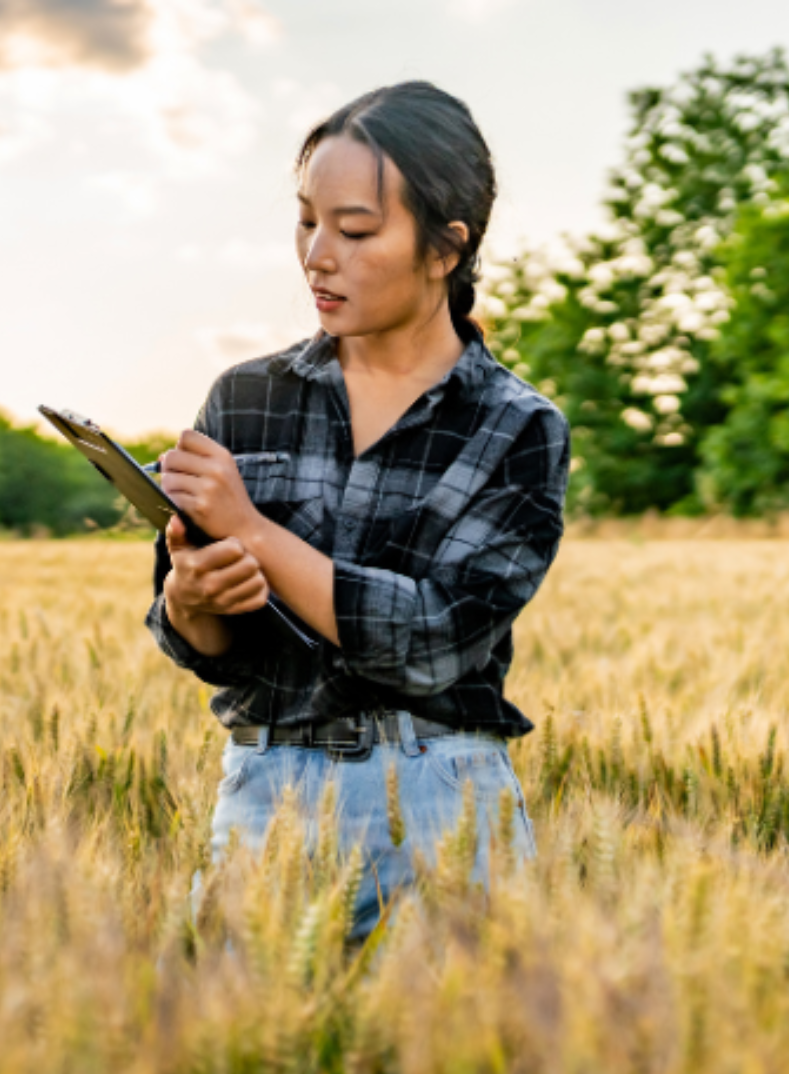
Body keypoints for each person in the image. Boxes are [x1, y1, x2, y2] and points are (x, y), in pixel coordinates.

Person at [145, 81, 570, 940]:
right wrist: (193, 604)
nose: (317, 254)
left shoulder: (516, 427)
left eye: (357, 229)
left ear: (447, 247)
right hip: (266, 794)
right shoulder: (246, 396)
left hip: (443, 805)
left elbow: (430, 644)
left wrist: (256, 533)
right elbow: (205, 645)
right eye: (306, 221)